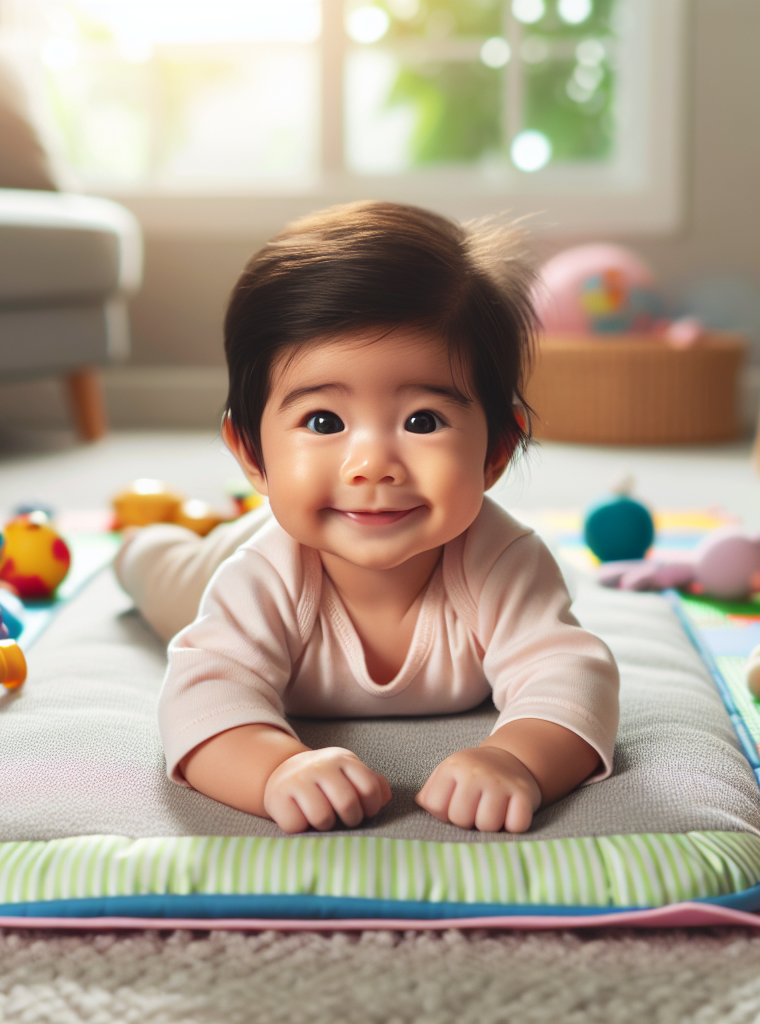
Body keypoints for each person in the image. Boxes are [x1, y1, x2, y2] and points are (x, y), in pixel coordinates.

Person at [116, 201, 619, 835]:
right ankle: (140, 546)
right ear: (252, 451)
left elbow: (572, 679)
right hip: (227, 560)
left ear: (496, 450)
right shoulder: (259, 579)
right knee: (162, 574)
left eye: (422, 421)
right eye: (324, 422)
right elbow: (201, 701)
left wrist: (516, 759)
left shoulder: (504, 562)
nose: (373, 466)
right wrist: (276, 770)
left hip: (312, 522)